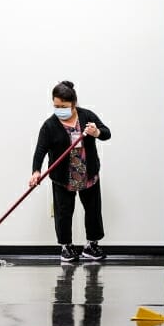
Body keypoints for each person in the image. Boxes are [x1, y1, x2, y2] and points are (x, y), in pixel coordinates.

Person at [30, 80, 111, 262]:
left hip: (88, 175)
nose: (59, 110)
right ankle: (66, 247)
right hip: (63, 179)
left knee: (93, 211)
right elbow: (40, 150)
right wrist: (36, 171)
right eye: (56, 106)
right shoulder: (49, 125)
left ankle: (91, 246)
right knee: (64, 213)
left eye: (63, 106)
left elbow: (107, 133)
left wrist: (96, 132)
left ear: (73, 104)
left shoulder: (87, 116)